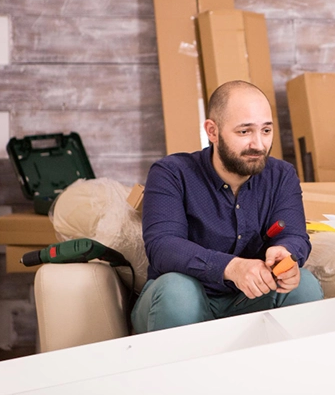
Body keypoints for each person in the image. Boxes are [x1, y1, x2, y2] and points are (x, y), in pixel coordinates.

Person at [132, 80, 324, 333]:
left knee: (305, 285)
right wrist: (232, 267)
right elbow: (163, 246)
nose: (258, 144)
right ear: (212, 131)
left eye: (266, 131)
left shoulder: (282, 176)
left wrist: (286, 253)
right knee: (178, 291)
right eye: (244, 132)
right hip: (183, 300)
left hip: (252, 298)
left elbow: (295, 235)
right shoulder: (171, 173)